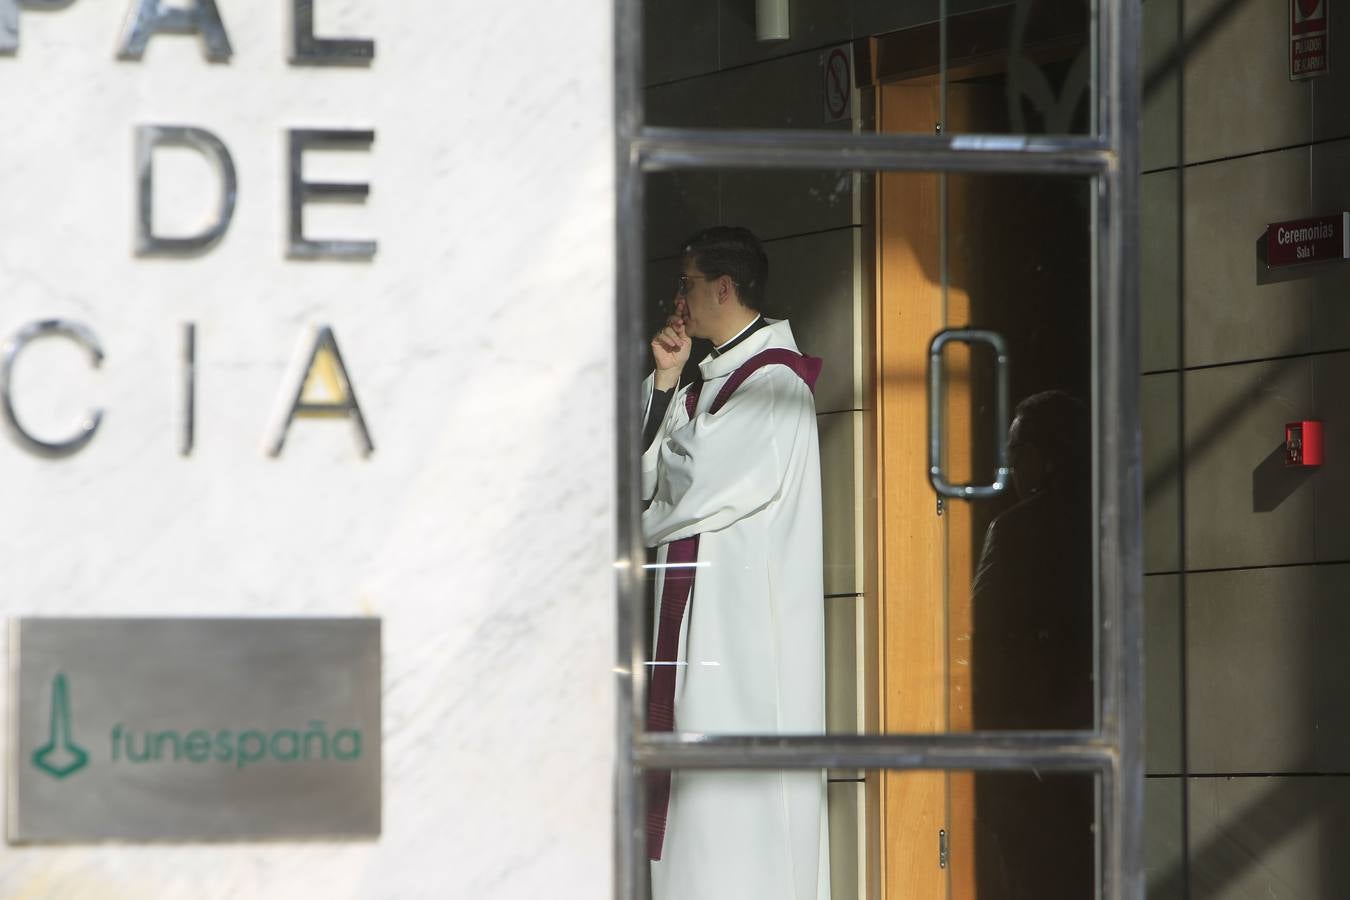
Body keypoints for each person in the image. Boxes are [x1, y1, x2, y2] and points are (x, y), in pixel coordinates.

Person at [640, 226, 830, 900]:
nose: (678, 300)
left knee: (737, 835)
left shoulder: (773, 385)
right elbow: (648, 477)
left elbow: (682, 491)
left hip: (745, 651)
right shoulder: (711, 385)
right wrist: (666, 383)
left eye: (687, 284)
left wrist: (672, 443)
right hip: (704, 638)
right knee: (700, 827)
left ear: (723, 286)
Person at [970, 389, 1094, 900]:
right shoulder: (1112, 520)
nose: (1012, 466)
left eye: (1017, 452)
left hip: (1026, 743)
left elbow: (977, 628)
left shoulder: (1016, 529)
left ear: (1048, 456)